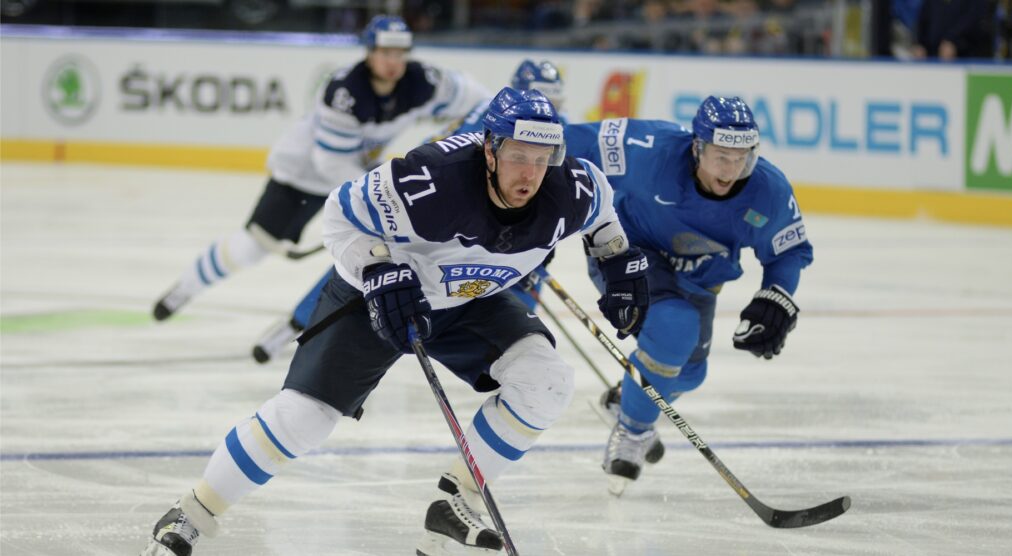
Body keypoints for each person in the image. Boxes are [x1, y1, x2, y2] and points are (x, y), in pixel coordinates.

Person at [140, 87, 650, 556]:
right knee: (306, 418)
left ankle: (457, 501)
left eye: (542, 160)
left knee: (547, 378)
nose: (530, 174)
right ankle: (193, 511)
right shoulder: (431, 179)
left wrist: (617, 263)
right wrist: (379, 266)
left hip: (473, 299)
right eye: (518, 156)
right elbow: (340, 214)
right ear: (490, 150)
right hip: (380, 294)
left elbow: (604, 217)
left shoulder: (573, 189)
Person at [151, 15, 489, 322]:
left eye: (400, 53)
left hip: (355, 177)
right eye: (385, 52)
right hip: (301, 177)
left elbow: (478, 99)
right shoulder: (345, 92)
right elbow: (330, 163)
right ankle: (183, 289)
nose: (393, 62)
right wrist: (377, 196)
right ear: (369, 51)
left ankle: (306, 327)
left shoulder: (423, 82)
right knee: (250, 248)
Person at [562, 96, 813, 495]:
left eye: (743, 158)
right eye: (721, 156)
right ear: (697, 147)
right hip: (629, 252)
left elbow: (788, 251)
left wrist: (777, 294)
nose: (731, 170)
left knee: (691, 373)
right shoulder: (647, 149)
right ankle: (631, 431)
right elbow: (559, 142)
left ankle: (629, 397)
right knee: (674, 326)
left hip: (699, 277)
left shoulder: (767, 189)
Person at [250, 59, 567, 363]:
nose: (551, 109)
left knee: (524, 264)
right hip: (438, 202)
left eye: (555, 100)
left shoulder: (551, 129)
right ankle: (294, 324)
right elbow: (439, 158)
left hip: (484, 212)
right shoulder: (492, 122)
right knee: (372, 260)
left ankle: (510, 347)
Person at [912, 0, 996, 60]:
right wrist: (920, 44)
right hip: (932, 56)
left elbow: (974, 21)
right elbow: (923, 20)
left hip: (965, 56)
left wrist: (954, 41)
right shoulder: (930, 2)